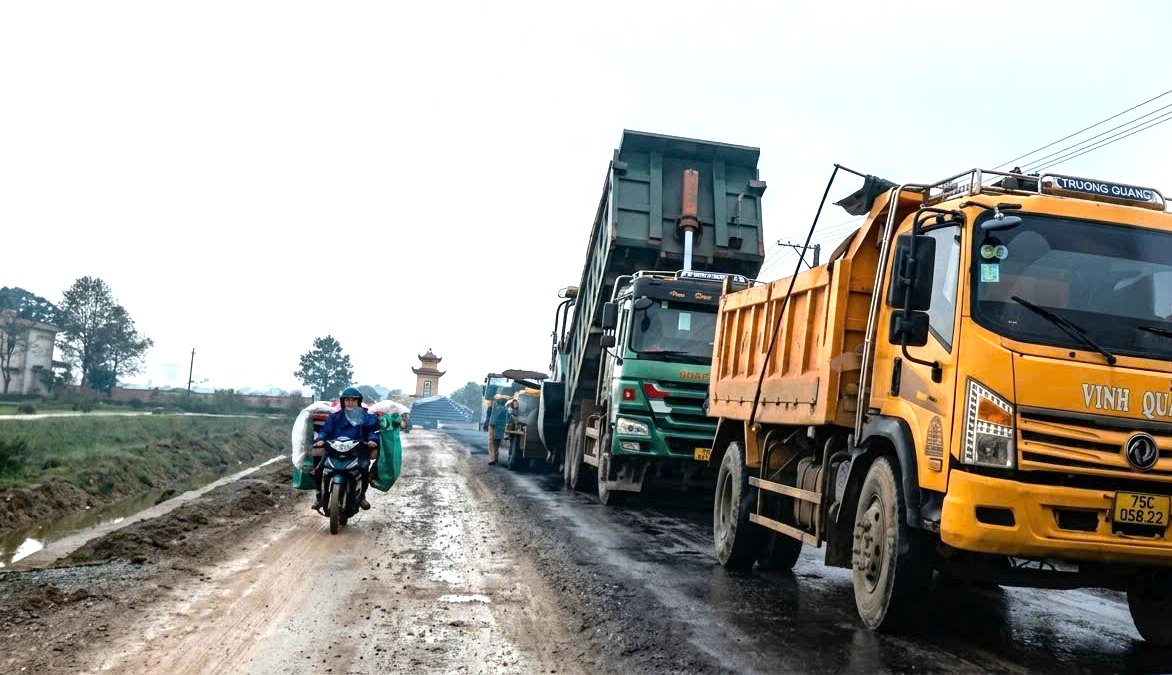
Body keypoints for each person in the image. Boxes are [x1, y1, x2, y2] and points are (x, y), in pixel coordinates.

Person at [312, 386, 380, 511]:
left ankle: (362, 497)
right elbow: (325, 430)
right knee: (320, 469)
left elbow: (372, 431)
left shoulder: (366, 417)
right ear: (343, 401)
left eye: (353, 400)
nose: (350, 402)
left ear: (358, 401)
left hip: (358, 451)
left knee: (364, 469)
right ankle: (319, 497)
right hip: (334, 450)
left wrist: (372, 440)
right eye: (347, 400)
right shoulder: (335, 417)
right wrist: (320, 439)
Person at [487, 395, 509, 465]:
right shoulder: (506, 407)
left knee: (492, 442)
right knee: (496, 442)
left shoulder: (494, 405)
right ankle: (494, 458)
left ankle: (493, 458)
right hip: (499, 425)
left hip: (494, 424)